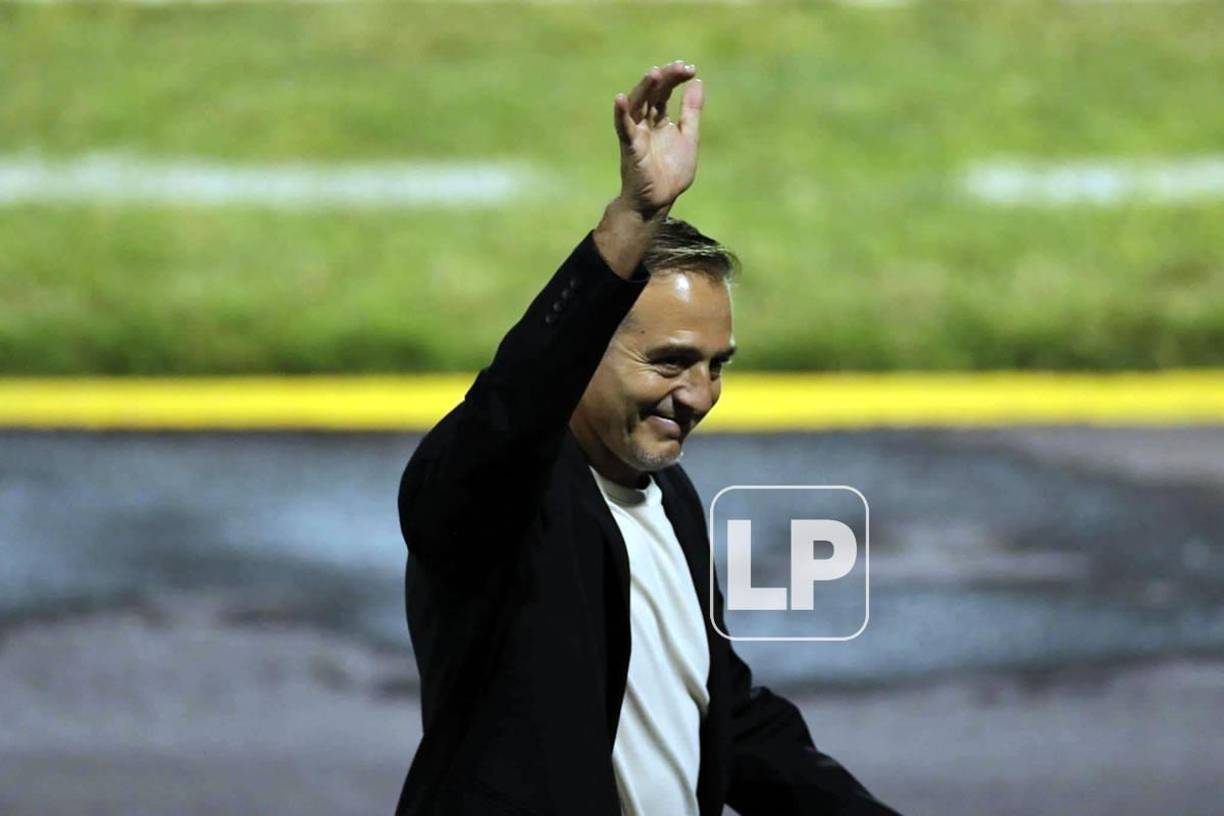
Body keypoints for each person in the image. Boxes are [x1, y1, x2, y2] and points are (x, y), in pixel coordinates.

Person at [396, 60, 901, 816]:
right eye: (669, 362)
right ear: (586, 350)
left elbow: (721, 714)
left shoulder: (671, 498)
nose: (698, 395)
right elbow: (514, 402)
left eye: (715, 366)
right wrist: (632, 218)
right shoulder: (494, 499)